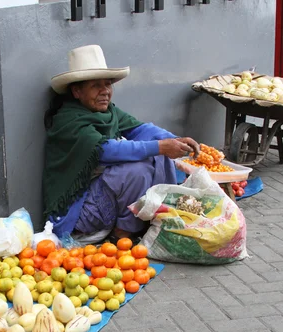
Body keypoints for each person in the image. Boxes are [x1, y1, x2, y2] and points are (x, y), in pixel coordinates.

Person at [42, 45, 200, 243]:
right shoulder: (69, 121)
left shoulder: (108, 112)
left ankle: (157, 215)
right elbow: (105, 150)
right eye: (96, 86)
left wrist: (174, 140)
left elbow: (140, 129)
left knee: (159, 154)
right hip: (78, 213)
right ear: (76, 91)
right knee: (136, 170)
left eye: (107, 85)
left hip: (98, 193)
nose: (105, 91)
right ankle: (122, 233)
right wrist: (161, 146)